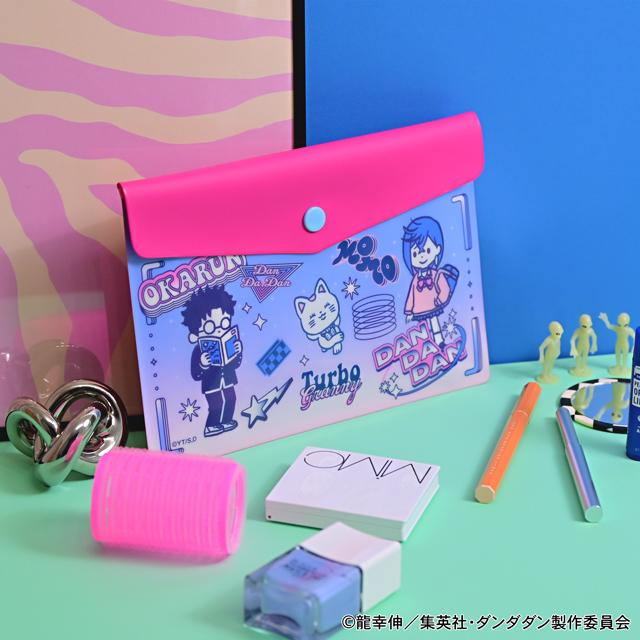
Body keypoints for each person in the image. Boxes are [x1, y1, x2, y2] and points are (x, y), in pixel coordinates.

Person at [182, 285, 242, 437]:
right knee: (216, 404)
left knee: (231, 399)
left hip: (227, 380)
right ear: (195, 334)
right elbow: (196, 375)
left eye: (225, 323)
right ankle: (211, 425)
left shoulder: (228, 341)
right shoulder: (198, 351)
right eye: (209, 327)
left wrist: (237, 352)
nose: (219, 330)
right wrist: (202, 364)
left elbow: (236, 364)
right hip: (211, 385)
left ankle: (227, 421)